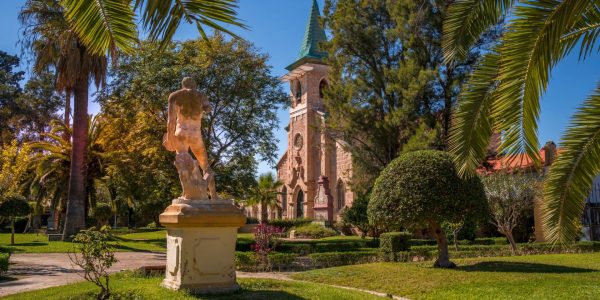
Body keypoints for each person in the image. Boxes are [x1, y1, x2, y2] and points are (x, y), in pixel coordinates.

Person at [164, 77, 217, 199]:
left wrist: (169, 137)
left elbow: (170, 121)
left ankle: (186, 194)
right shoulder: (201, 95)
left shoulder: (174, 96)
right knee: (206, 167)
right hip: (195, 134)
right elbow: (208, 109)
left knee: (182, 167)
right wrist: (205, 108)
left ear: (183, 85)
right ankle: (213, 196)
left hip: (180, 132)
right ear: (194, 85)